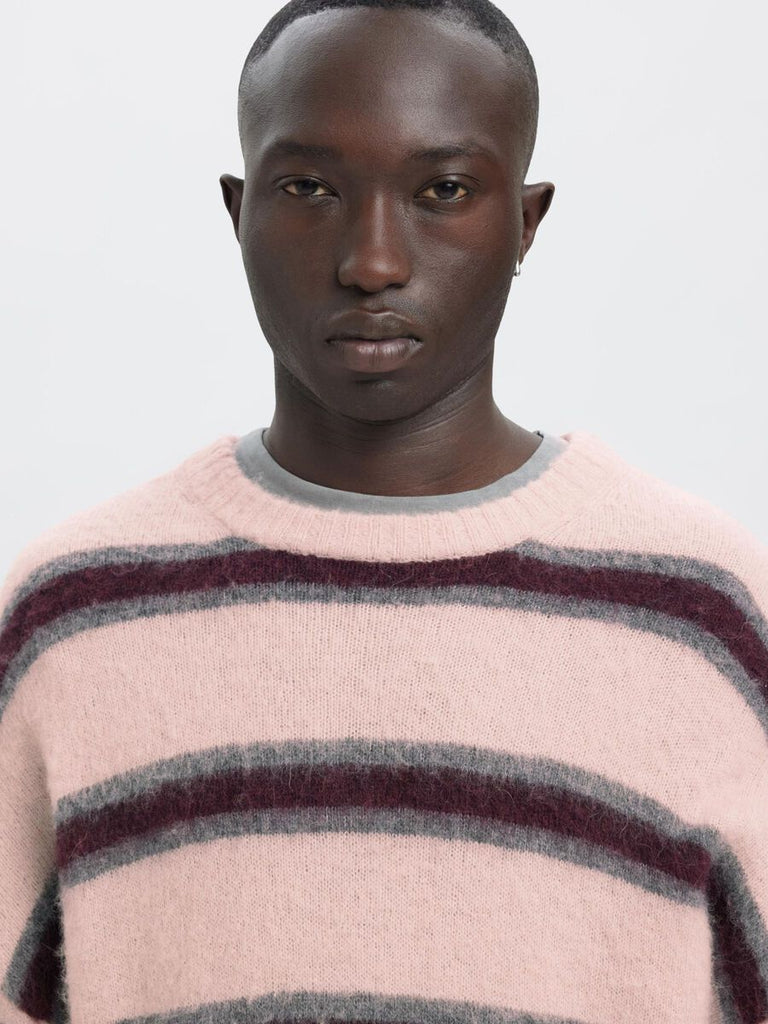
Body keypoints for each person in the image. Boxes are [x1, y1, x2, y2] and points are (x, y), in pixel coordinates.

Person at [1, 2, 766, 1023]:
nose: (371, 262)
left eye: (443, 190)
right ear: (238, 213)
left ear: (526, 222)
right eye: (309, 189)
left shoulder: (704, 618)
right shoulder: (73, 616)